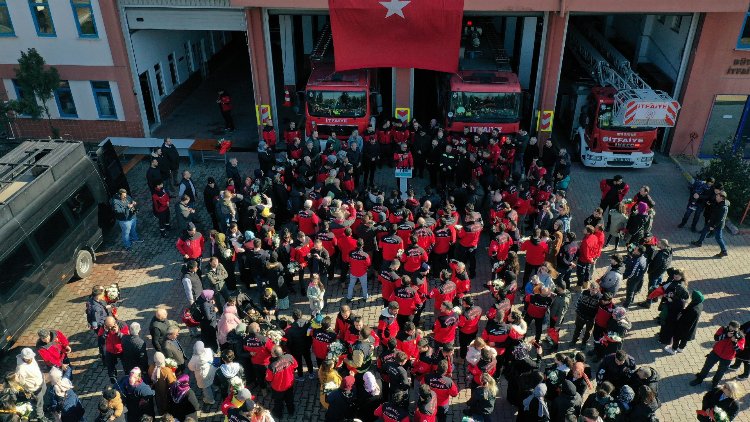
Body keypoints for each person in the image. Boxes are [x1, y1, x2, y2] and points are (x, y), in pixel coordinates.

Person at [690, 321, 746, 388]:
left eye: (735, 330)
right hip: (715, 352)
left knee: (720, 372)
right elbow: (716, 338)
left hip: (727, 357)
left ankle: (714, 384)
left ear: (738, 329)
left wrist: (735, 343)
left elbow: (739, 350)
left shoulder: (741, 336)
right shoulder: (723, 329)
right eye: (731, 329)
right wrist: (726, 335)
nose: (732, 331)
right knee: (706, 367)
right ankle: (699, 379)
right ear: (728, 326)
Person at [692, 190, 730, 258]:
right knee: (704, 230)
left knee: (718, 238)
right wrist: (710, 204)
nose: (716, 197)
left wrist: (713, 226)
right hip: (712, 222)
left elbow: (721, 219)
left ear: (722, 198)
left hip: (717, 225)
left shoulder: (723, 207)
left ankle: (724, 251)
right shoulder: (719, 202)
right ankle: (699, 242)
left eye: (717, 196)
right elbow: (715, 206)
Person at [265, 346, 298, 419]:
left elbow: (268, 379)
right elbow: (296, 366)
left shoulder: (272, 366)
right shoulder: (290, 357)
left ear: (274, 355)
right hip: (289, 385)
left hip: (278, 388)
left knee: (278, 402)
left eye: (271, 352)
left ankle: (278, 415)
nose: (270, 353)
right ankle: (291, 411)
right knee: (289, 399)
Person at [15, 348, 46, 422]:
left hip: (41, 383)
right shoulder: (20, 368)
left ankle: (39, 409)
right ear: (23, 358)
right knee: (38, 403)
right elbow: (21, 382)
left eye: (31, 357)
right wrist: (30, 387)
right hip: (34, 389)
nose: (30, 359)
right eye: (27, 358)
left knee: (41, 400)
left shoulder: (31, 359)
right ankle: (40, 417)